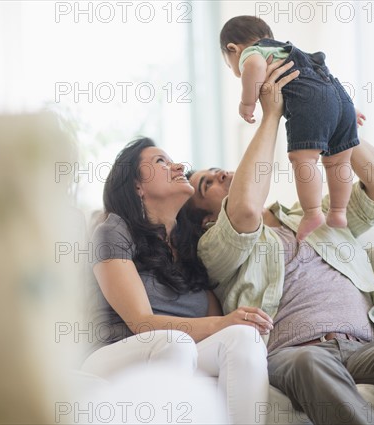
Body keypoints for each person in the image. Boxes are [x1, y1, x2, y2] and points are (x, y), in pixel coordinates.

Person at [184, 61, 374, 424]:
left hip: (364, 346)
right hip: (297, 353)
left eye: (219, 169)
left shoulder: (318, 216)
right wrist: (272, 115)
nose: (224, 173)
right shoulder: (217, 249)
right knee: (310, 362)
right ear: (207, 220)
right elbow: (245, 210)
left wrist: (333, 110)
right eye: (209, 183)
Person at [80, 59, 300, 425]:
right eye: (161, 161)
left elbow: (217, 320)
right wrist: (225, 322)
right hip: (113, 355)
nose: (178, 165)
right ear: (136, 185)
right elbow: (143, 325)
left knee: (244, 339)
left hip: (182, 351)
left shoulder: (188, 243)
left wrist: (234, 325)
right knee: (176, 343)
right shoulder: (113, 230)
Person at [220, 15, 363, 240]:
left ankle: (313, 213)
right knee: (339, 161)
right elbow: (323, 79)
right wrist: (347, 109)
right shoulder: (288, 51)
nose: (235, 70)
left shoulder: (252, 53)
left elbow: (254, 66)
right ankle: (338, 211)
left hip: (311, 101)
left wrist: (247, 102)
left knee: (304, 160)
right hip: (338, 96)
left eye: (230, 65)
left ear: (233, 49)